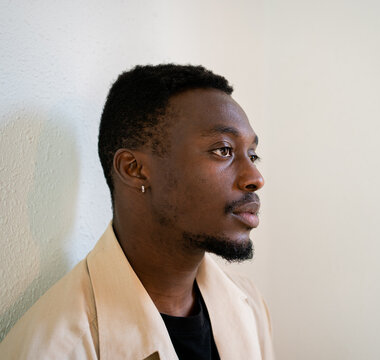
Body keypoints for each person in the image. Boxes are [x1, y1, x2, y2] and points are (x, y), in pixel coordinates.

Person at [0, 64, 274, 359]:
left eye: (253, 154)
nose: (255, 178)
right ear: (134, 169)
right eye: (223, 150)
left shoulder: (250, 305)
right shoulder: (55, 347)